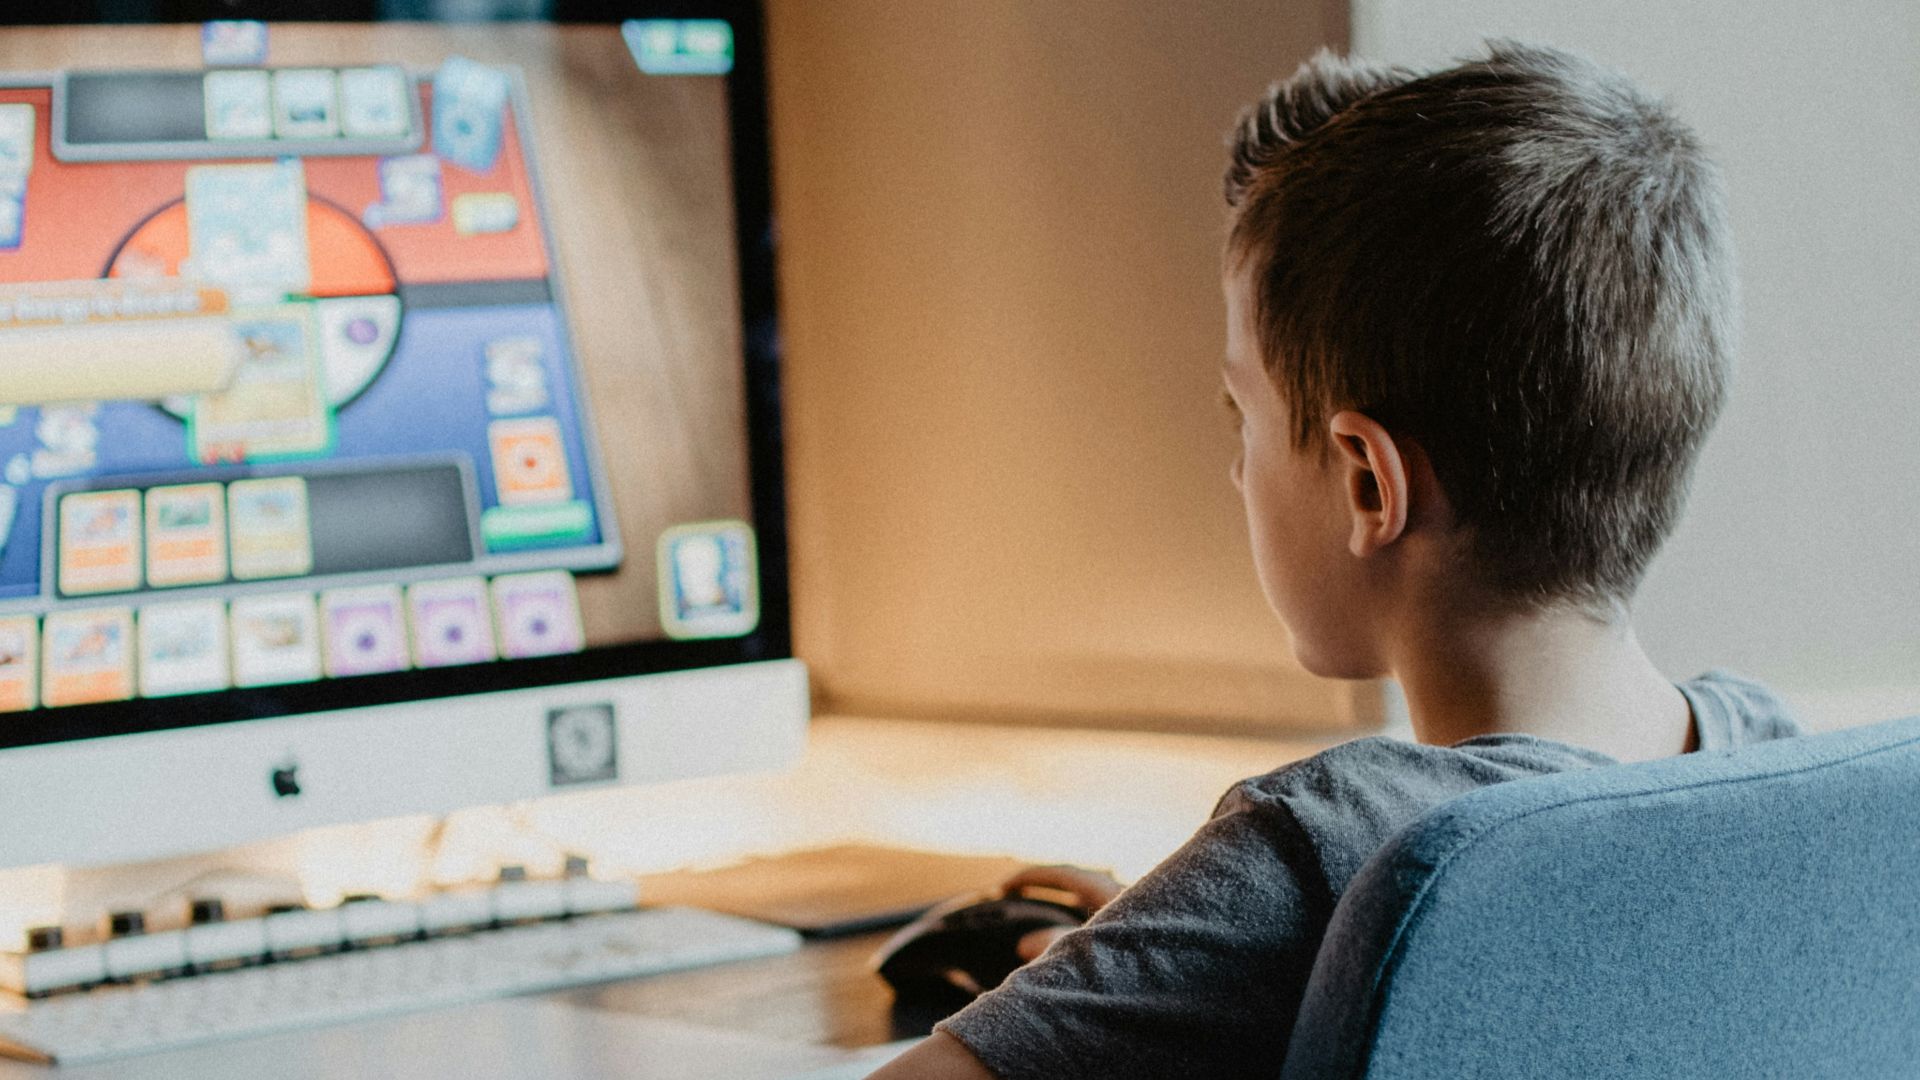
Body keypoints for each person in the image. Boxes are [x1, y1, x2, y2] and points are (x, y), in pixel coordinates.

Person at [868, 40, 1801, 1080]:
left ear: (1368, 481)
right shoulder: (1776, 766)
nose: (1235, 470)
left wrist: (1202, 924)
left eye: (1243, 415)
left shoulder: (1317, 857)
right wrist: (1164, 946)